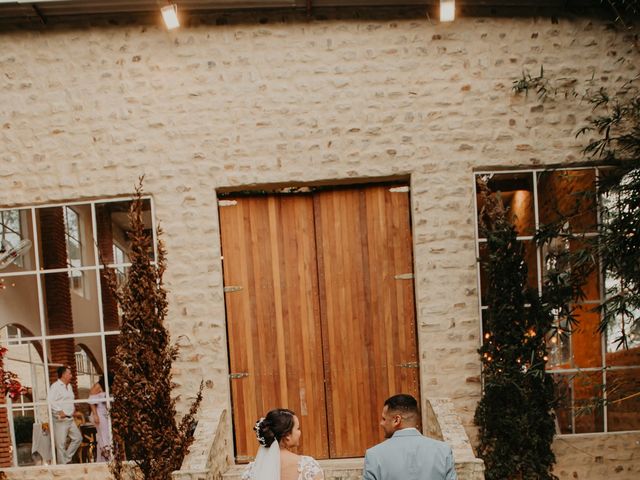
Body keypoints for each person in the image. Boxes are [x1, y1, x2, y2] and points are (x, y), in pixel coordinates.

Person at [363, 394, 457, 480]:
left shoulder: (374, 455)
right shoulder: (443, 451)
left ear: (397, 420)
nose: (381, 423)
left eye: (384, 419)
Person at [242, 408, 324, 480]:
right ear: (287, 435)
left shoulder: (252, 469)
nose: (299, 432)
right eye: (298, 428)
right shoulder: (309, 466)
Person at [49, 366, 82, 464]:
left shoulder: (69, 386)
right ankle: (63, 466)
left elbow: (69, 400)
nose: (71, 376)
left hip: (70, 418)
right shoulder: (55, 386)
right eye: (69, 374)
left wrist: (73, 408)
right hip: (60, 420)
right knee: (61, 444)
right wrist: (59, 410)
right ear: (63, 375)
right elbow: (50, 401)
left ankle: (66, 459)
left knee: (78, 438)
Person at [88, 373, 113, 462]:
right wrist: (95, 415)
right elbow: (91, 400)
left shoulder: (107, 386)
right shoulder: (97, 386)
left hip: (105, 414)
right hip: (98, 413)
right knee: (103, 435)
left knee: (105, 436)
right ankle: (106, 456)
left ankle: (101, 460)